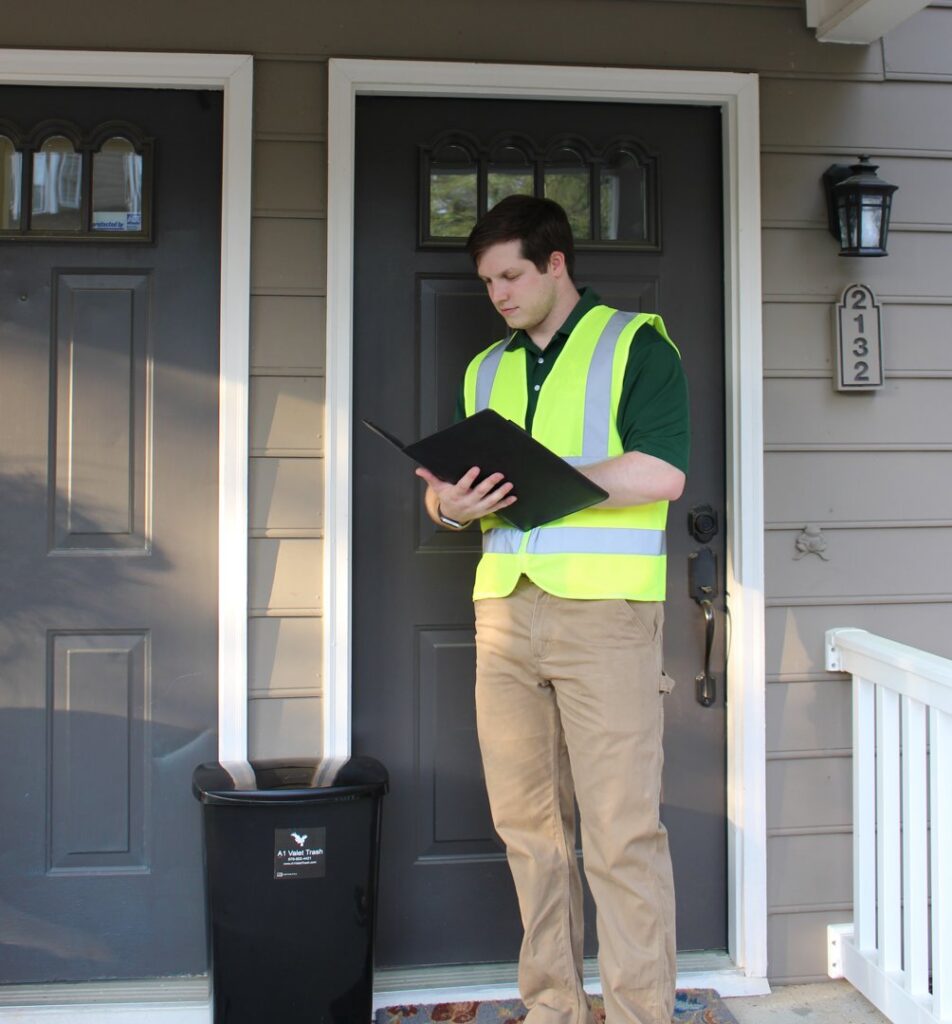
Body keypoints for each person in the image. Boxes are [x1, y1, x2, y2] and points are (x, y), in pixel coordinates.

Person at [415, 195, 689, 1024]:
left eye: (511, 275)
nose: (498, 293)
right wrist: (451, 508)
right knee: (527, 830)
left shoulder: (638, 342)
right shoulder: (484, 369)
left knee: (620, 832)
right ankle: (553, 1010)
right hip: (502, 616)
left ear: (556, 264)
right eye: (488, 280)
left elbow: (662, 474)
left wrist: (545, 474)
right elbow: (455, 500)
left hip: (605, 616)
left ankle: (640, 1014)